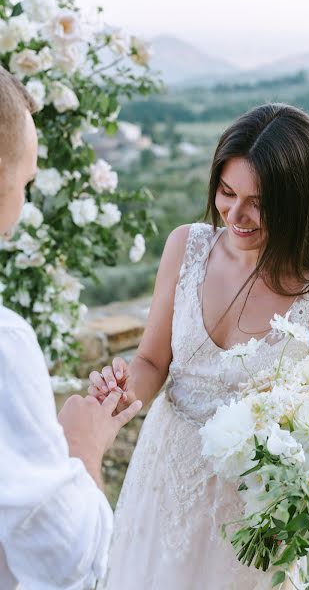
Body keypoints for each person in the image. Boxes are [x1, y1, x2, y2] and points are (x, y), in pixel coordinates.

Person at [89, 103, 309, 589]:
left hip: (251, 508)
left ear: (299, 199)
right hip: (164, 472)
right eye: (227, 192)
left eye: (259, 201)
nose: (236, 214)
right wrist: (120, 395)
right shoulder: (185, 246)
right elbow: (152, 360)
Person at [0, 66, 143, 589]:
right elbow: (66, 560)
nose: (23, 203)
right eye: (25, 182)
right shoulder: (5, 343)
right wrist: (83, 446)